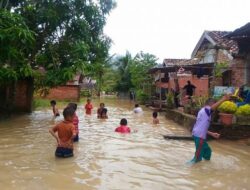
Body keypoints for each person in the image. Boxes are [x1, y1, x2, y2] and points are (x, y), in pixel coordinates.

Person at [191, 95, 229, 163]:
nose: (215, 109)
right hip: (199, 136)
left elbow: (201, 127)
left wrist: (212, 134)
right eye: (214, 104)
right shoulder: (206, 109)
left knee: (207, 151)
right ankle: (188, 167)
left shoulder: (203, 112)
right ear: (211, 104)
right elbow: (212, 108)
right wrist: (223, 99)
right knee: (197, 158)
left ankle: (206, 166)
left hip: (198, 134)